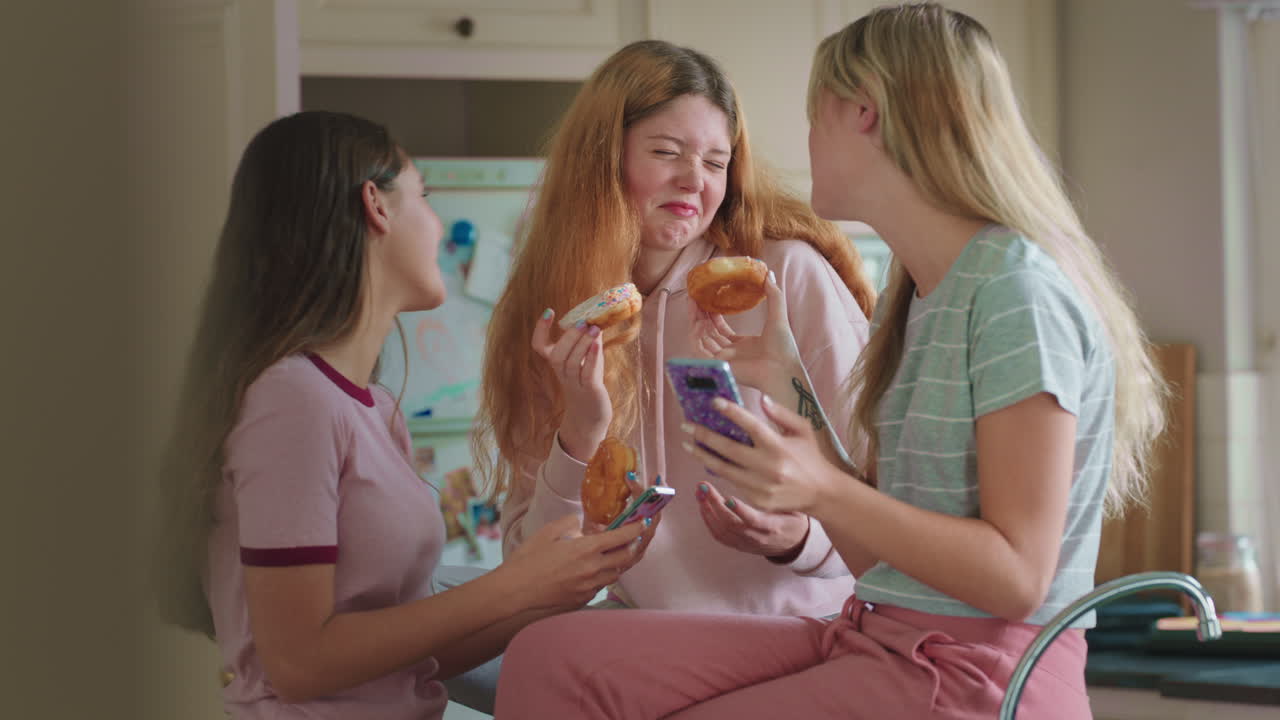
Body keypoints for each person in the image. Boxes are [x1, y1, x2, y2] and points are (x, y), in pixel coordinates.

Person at [493, 5, 1169, 718]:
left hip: (971, 672)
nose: (803, 139)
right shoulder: (919, 295)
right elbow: (878, 554)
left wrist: (817, 491)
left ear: (865, 114)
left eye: (816, 115)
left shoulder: (1014, 292)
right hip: (884, 636)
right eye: (668, 152)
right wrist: (787, 382)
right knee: (550, 656)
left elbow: (1019, 581)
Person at [148, 110, 654, 720]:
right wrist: (513, 585)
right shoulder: (291, 400)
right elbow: (300, 662)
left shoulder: (372, 405)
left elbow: (411, 658)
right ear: (376, 206)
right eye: (425, 196)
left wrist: (555, 589)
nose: (437, 227)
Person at [475, 39, 877, 619]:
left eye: (715, 162)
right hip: (648, 636)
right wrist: (579, 433)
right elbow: (526, 565)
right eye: (667, 152)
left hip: (804, 631)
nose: (695, 181)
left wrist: (799, 540)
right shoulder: (558, 314)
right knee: (541, 661)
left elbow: (892, 507)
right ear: (603, 160)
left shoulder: (782, 279)